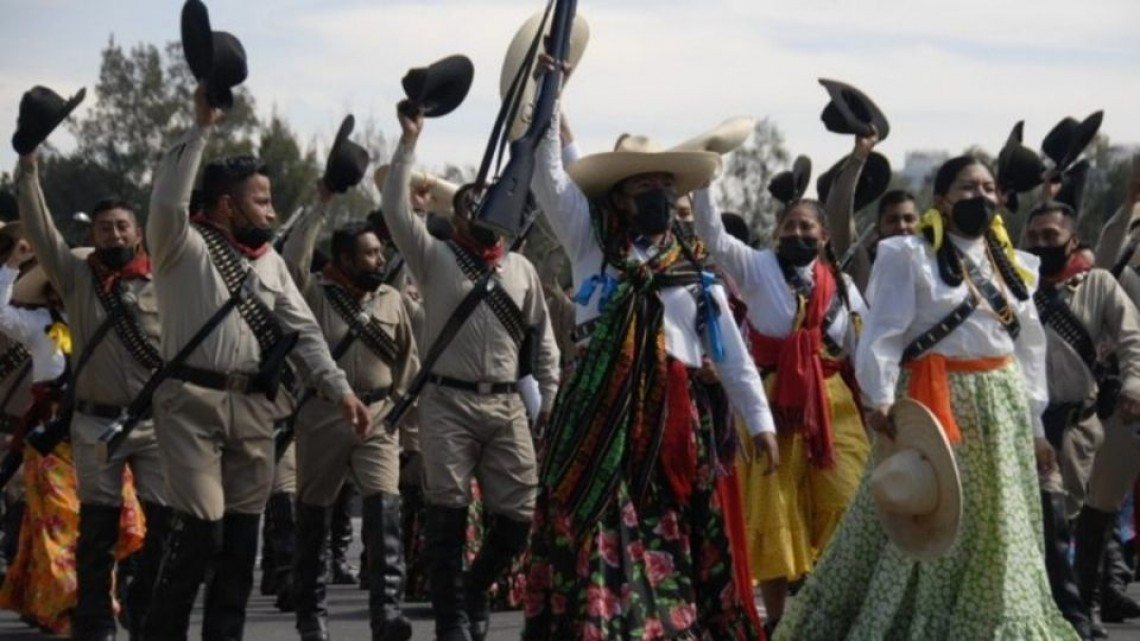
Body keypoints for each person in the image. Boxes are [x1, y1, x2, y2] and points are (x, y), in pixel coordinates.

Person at [775, 155, 1079, 639]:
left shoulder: (1015, 265)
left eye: (986, 188)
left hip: (1001, 414)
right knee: (922, 513)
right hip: (931, 406)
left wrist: (1037, 425)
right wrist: (879, 398)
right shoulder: (909, 255)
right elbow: (883, 333)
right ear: (941, 199)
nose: (979, 196)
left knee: (998, 531)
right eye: (966, 188)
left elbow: (1029, 348)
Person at [524, 71, 775, 636]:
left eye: (667, 186)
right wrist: (550, 96)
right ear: (619, 198)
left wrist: (759, 421)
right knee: (602, 531)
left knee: (677, 531)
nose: (660, 196)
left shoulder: (694, 270)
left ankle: (674, 623)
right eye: (645, 188)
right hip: (601, 421)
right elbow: (550, 178)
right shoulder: (593, 247)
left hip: (677, 426)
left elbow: (728, 350)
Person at [141, 84, 369, 640]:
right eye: (262, 201)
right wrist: (200, 129)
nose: (270, 209)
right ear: (226, 205)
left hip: (255, 412)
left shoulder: (267, 261)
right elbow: (169, 199)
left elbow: (304, 331)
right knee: (200, 531)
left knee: (242, 545)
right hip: (191, 405)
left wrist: (339, 389)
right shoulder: (181, 244)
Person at [380, 102, 559, 641]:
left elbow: (542, 341)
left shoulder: (522, 268)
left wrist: (546, 400)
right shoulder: (434, 257)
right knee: (447, 517)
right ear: (455, 215)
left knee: (517, 518)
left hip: (506, 406)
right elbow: (393, 210)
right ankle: (452, 621)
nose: (482, 208)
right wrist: (409, 144)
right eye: (470, 201)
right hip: (447, 404)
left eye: (490, 199)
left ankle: (473, 587)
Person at [695, 185, 870, 634]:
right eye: (788, 226)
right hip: (770, 406)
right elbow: (712, 235)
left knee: (846, 499)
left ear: (824, 237)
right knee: (773, 512)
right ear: (776, 234)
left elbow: (864, 352)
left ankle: (829, 605)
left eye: (806, 227)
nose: (796, 233)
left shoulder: (844, 289)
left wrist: (884, 407)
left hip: (834, 407)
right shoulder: (755, 269)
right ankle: (776, 622)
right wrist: (703, 182)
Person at [16, 148, 170, 641]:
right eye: (105, 228)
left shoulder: (163, 283)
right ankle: (95, 622)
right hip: (93, 425)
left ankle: (143, 613)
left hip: (152, 425)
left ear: (138, 231)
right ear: (92, 236)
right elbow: (40, 229)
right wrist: (29, 168)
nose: (115, 235)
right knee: (96, 532)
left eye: (123, 226)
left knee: (161, 525)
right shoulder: (77, 279)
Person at [282, 183, 418, 641]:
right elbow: (294, 260)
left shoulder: (391, 300)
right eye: (369, 255)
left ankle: (387, 614)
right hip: (324, 415)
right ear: (341, 260)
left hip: (378, 416)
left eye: (380, 253)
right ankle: (311, 615)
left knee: (385, 515)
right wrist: (319, 203)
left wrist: (397, 409)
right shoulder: (314, 294)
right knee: (314, 516)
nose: (379, 261)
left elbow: (407, 361)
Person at [0, 240, 145, 636]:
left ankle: (104, 599)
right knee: (61, 525)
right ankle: (71, 607)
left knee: (116, 521)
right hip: (54, 441)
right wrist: (12, 265)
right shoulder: (38, 324)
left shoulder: (114, 320)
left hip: (102, 435)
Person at [1022, 199, 1140, 639]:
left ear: (1071, 240)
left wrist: (1133, 387)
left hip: (1074, 425)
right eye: (1033, 237)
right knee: (1035, 523)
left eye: (1050, 237)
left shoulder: (1099, 284)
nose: (1040, 244)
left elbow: (1132, 339)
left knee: (1065, 521)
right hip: (1023, 423)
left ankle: (1073, 613)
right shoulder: (1017, 282)